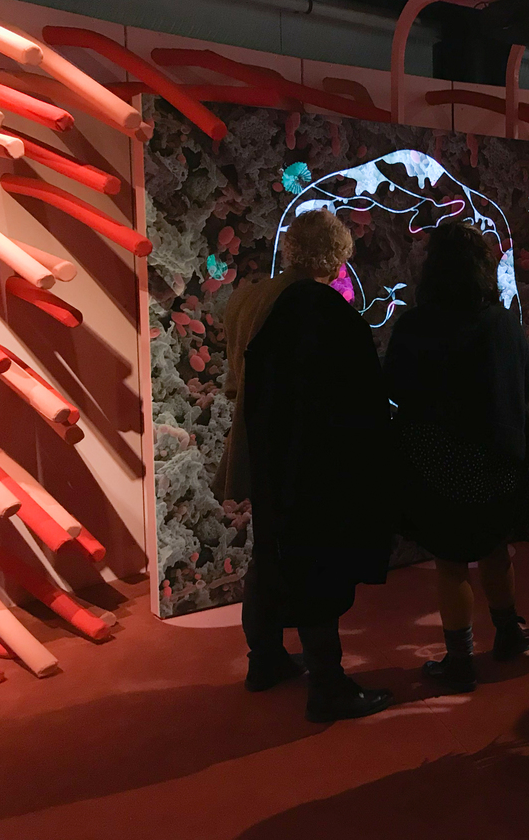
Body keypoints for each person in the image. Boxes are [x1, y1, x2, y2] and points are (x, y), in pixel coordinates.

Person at [218, 208, 395, 723]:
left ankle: (264, 660)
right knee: (319, 563)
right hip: (311, 459)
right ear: (337, 255)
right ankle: (327, 685)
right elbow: (353, 398)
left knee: (268, 551)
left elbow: (237, 379)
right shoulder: (324, 310)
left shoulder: (249, 298)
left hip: (259, 445)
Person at [383, 221, 529, 694]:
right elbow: (524, 389)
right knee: (495, 549)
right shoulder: (503, 324)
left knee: (450, 562)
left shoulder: (415, 325)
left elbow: (395, 388)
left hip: (437, 464)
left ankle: (460, 662)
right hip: (499, 462)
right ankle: (509, 633)